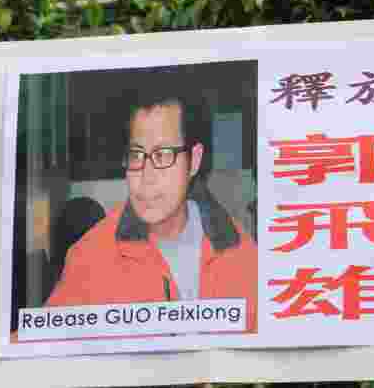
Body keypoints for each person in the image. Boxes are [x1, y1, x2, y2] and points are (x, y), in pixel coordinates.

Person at [44, 70, 258, 333]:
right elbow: (41, 343)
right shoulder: (89, 259)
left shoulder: (241, 255)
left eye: (163, 154)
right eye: (136, 155)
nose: (146, 176)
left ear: (194, 160)